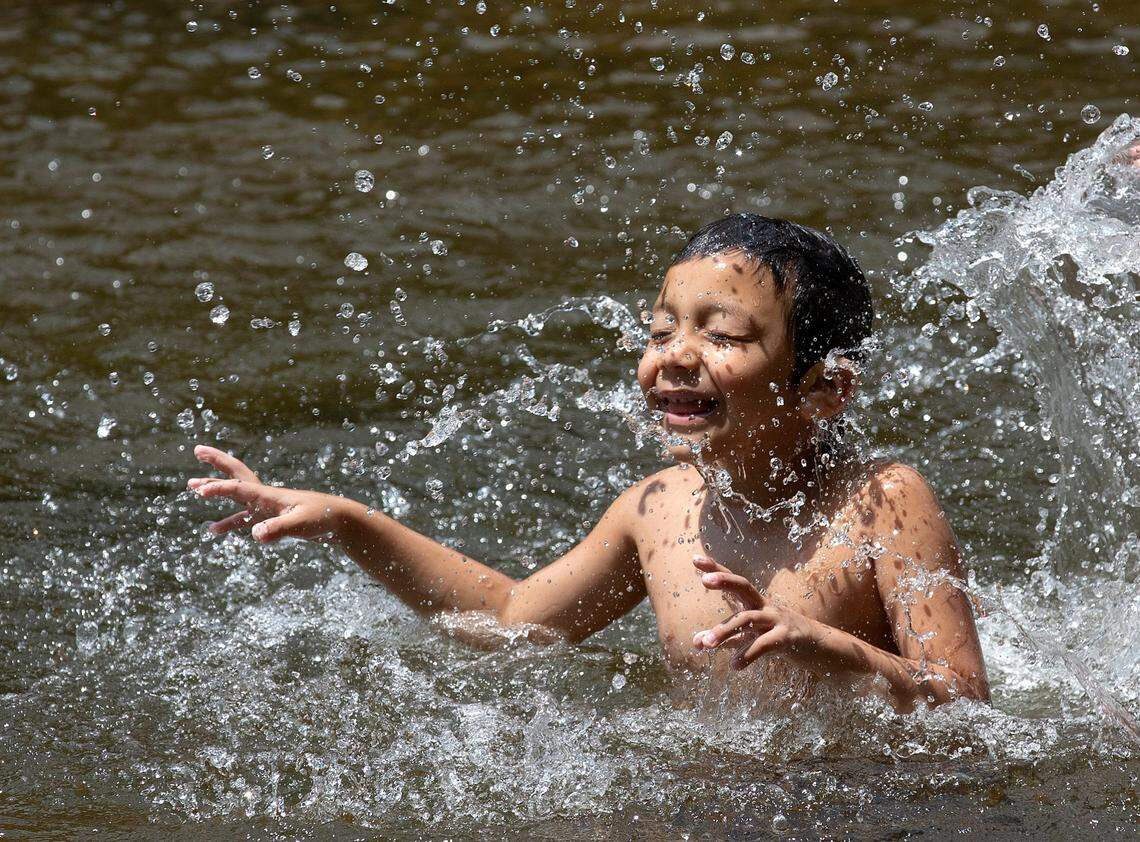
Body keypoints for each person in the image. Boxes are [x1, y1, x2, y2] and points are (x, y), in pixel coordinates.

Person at [188, 214, 990, 712]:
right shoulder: (659, 509)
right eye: (661, 330)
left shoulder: (882, 501)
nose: (676, 356)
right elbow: (511, 623)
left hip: (867, 801)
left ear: (823, 390)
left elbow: (966, 708)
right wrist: (346, 521)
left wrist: (827, 643)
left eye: (723, 335)